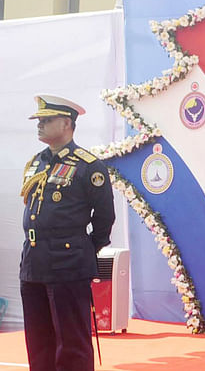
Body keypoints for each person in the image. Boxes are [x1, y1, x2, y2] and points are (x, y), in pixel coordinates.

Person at [19, 94, 115, 371]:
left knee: (71, 340)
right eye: (39, 120)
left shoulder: (88, 166)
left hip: (67, 260)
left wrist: (82, 248)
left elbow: (105, 216)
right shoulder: (37, 162)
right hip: (34, 261)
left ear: (66, 123)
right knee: (39, 339)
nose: (39, 125)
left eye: (46, 120)